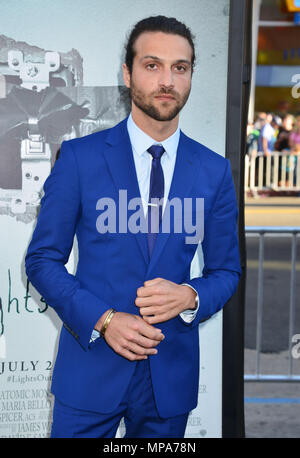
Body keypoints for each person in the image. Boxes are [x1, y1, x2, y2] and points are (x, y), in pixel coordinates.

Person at [25, 16, 241, 438]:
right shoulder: (80, 158)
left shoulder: (214, 171)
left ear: (191, 75)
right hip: (89, 373)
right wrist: (104, 319)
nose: (167, 80)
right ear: (127, 73)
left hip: (169, 378)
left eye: (180, 68)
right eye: (152, 65)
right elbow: (42, 261)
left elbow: (226, 272)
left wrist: (191, 295)